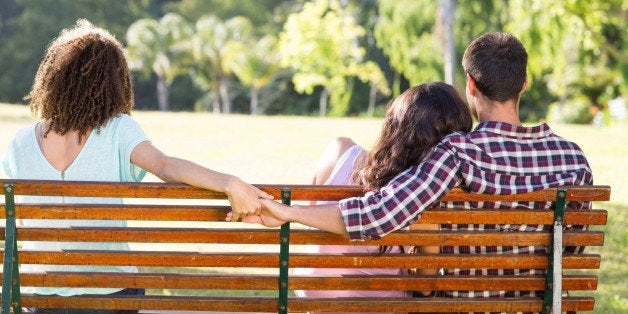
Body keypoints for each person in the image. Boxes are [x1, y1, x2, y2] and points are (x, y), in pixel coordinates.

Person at [238, 32, 593, 300]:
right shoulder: (574, 160)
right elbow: (571, 250)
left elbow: (377, 214)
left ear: (470, 85)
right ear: (524, 84)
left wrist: (288, 211)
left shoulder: (456, 153)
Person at [2, 19, 271, 314]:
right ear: (113, 83)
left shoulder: (20, 142)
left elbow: (23, 228)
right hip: (108, 294)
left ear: (54, 78)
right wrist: (230, 182)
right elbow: (165, 165)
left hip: (39, 296)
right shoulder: (117, 129)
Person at [294, 82, 472, 309]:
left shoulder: (338, 150)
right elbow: (424, 286)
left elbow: (309, 222)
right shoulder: (422, 195)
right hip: (380, 306)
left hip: (313, 296)